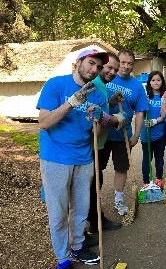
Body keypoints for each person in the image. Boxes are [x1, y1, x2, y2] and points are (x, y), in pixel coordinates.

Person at [37, 49, 109, 268]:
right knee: (58, 211)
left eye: (98, 66)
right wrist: (71, 103)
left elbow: (96, 133)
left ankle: (77, 248)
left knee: (81, 208)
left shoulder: (97, 93)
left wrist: (98, 119)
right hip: (56, 157)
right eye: (90, 63)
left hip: (84, 157)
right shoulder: (55, 84)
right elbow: (44, 122)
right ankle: (62, 257)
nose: (94, 69)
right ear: (79, 62)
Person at [99, 49, 148, 216]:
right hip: (102, 133)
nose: (126, 66)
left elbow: (140, 112)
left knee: (121, 168)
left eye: (130, 64)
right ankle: (94, 200)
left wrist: (136, 135)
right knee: (98, 168)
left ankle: (118, 200)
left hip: (123, 135)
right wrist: (111, 102)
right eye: (123, 63)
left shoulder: (137, 86)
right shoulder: (107, 78)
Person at [86, 52, 125, 238]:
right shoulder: (96, 84)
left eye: (115, 70)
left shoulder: (103, 86)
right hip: (90, 145)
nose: (112, 72)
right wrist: (117, 119)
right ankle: (95, 221)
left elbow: (100, 109)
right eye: (109, 68)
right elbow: (98, 117)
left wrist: (110, 102)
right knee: (93, 184)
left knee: (95, 182)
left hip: (98, 143)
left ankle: (94, 219)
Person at [141, 71, 166, 187]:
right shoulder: (145, 96)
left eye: (158, 80)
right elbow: (139, 113)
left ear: (162, 81)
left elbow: (163, 115)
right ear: (149, 82)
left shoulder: (163, 97)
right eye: (153, 80)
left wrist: (154, 121)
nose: (156, 82)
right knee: (147, 159)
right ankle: (146, 182)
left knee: (159, 158)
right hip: (146, 134)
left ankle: (159, 180)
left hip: (159, 134)